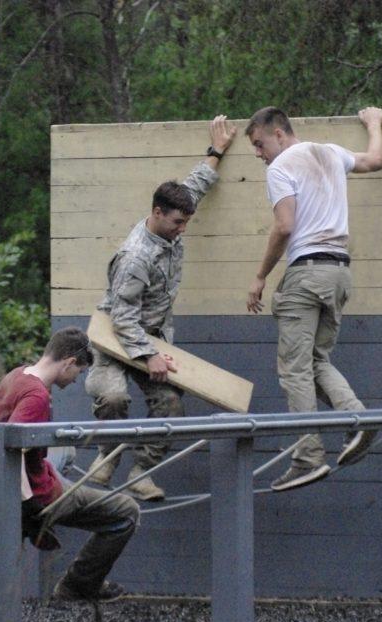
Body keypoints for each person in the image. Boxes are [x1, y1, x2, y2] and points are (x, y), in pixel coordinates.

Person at [85, 114, 237, 501]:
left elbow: (195, 186)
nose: (182, 228)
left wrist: (216, 150)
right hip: (117, 337)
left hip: (152, 336)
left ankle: (141, 471)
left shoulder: (172, 212)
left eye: (186, 221)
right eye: (177, 223)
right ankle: (107, 456)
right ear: (156, 213)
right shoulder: (136, 257)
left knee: (170, 404)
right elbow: (122, 318)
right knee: (115, 397)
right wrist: (148, 355)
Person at [245, 106, 382, 491]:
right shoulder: (330, 152)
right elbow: (375, 160)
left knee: (294, 369)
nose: (259, 154)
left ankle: (307, 457)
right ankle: (358, 420)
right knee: (315, 360)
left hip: (306, 273)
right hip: (340, 272)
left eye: (259, 145)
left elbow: (285, 225)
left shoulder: (280, 168)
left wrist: (260, 276)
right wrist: (374, 124)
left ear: (278, 133)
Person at [0, 326, 139, 602]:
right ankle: (77, 585)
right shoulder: (37, 396)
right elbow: (13, 448)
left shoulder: (16, 375)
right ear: (68, 362)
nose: (76, 379)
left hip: (14, 478)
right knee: (126, 512)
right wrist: (28, 507)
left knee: (66, 450)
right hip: (40, 494)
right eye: (78, 372)